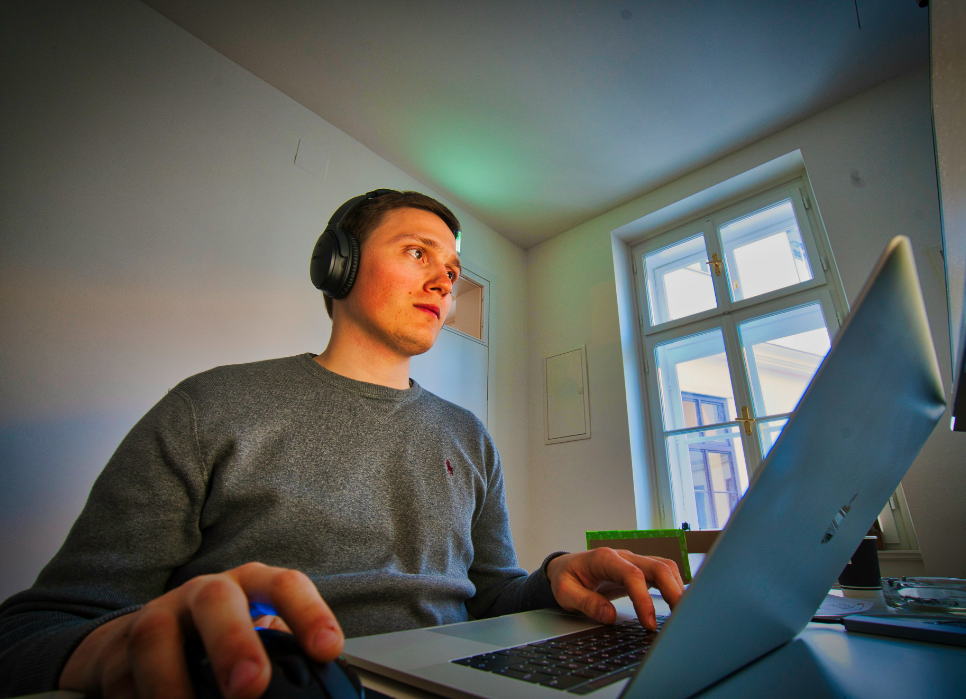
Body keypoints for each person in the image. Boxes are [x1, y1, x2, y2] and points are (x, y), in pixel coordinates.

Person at [0, 190, 683, 699]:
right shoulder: (210, 407)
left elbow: (488, 595)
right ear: (338, 265)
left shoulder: (470, 436)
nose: (446, 281)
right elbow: (32, 630)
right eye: (419, 253)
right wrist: (110, 647)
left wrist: (555, 576)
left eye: (452, 268)